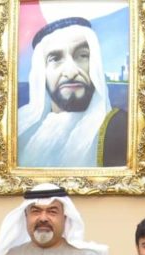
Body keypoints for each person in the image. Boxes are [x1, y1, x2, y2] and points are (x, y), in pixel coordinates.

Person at [17, 17, 127, 167]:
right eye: (55, 59)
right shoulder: (21, 127)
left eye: (82, 56)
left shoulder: (120, 127)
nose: (71, 72)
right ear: (41, 72)